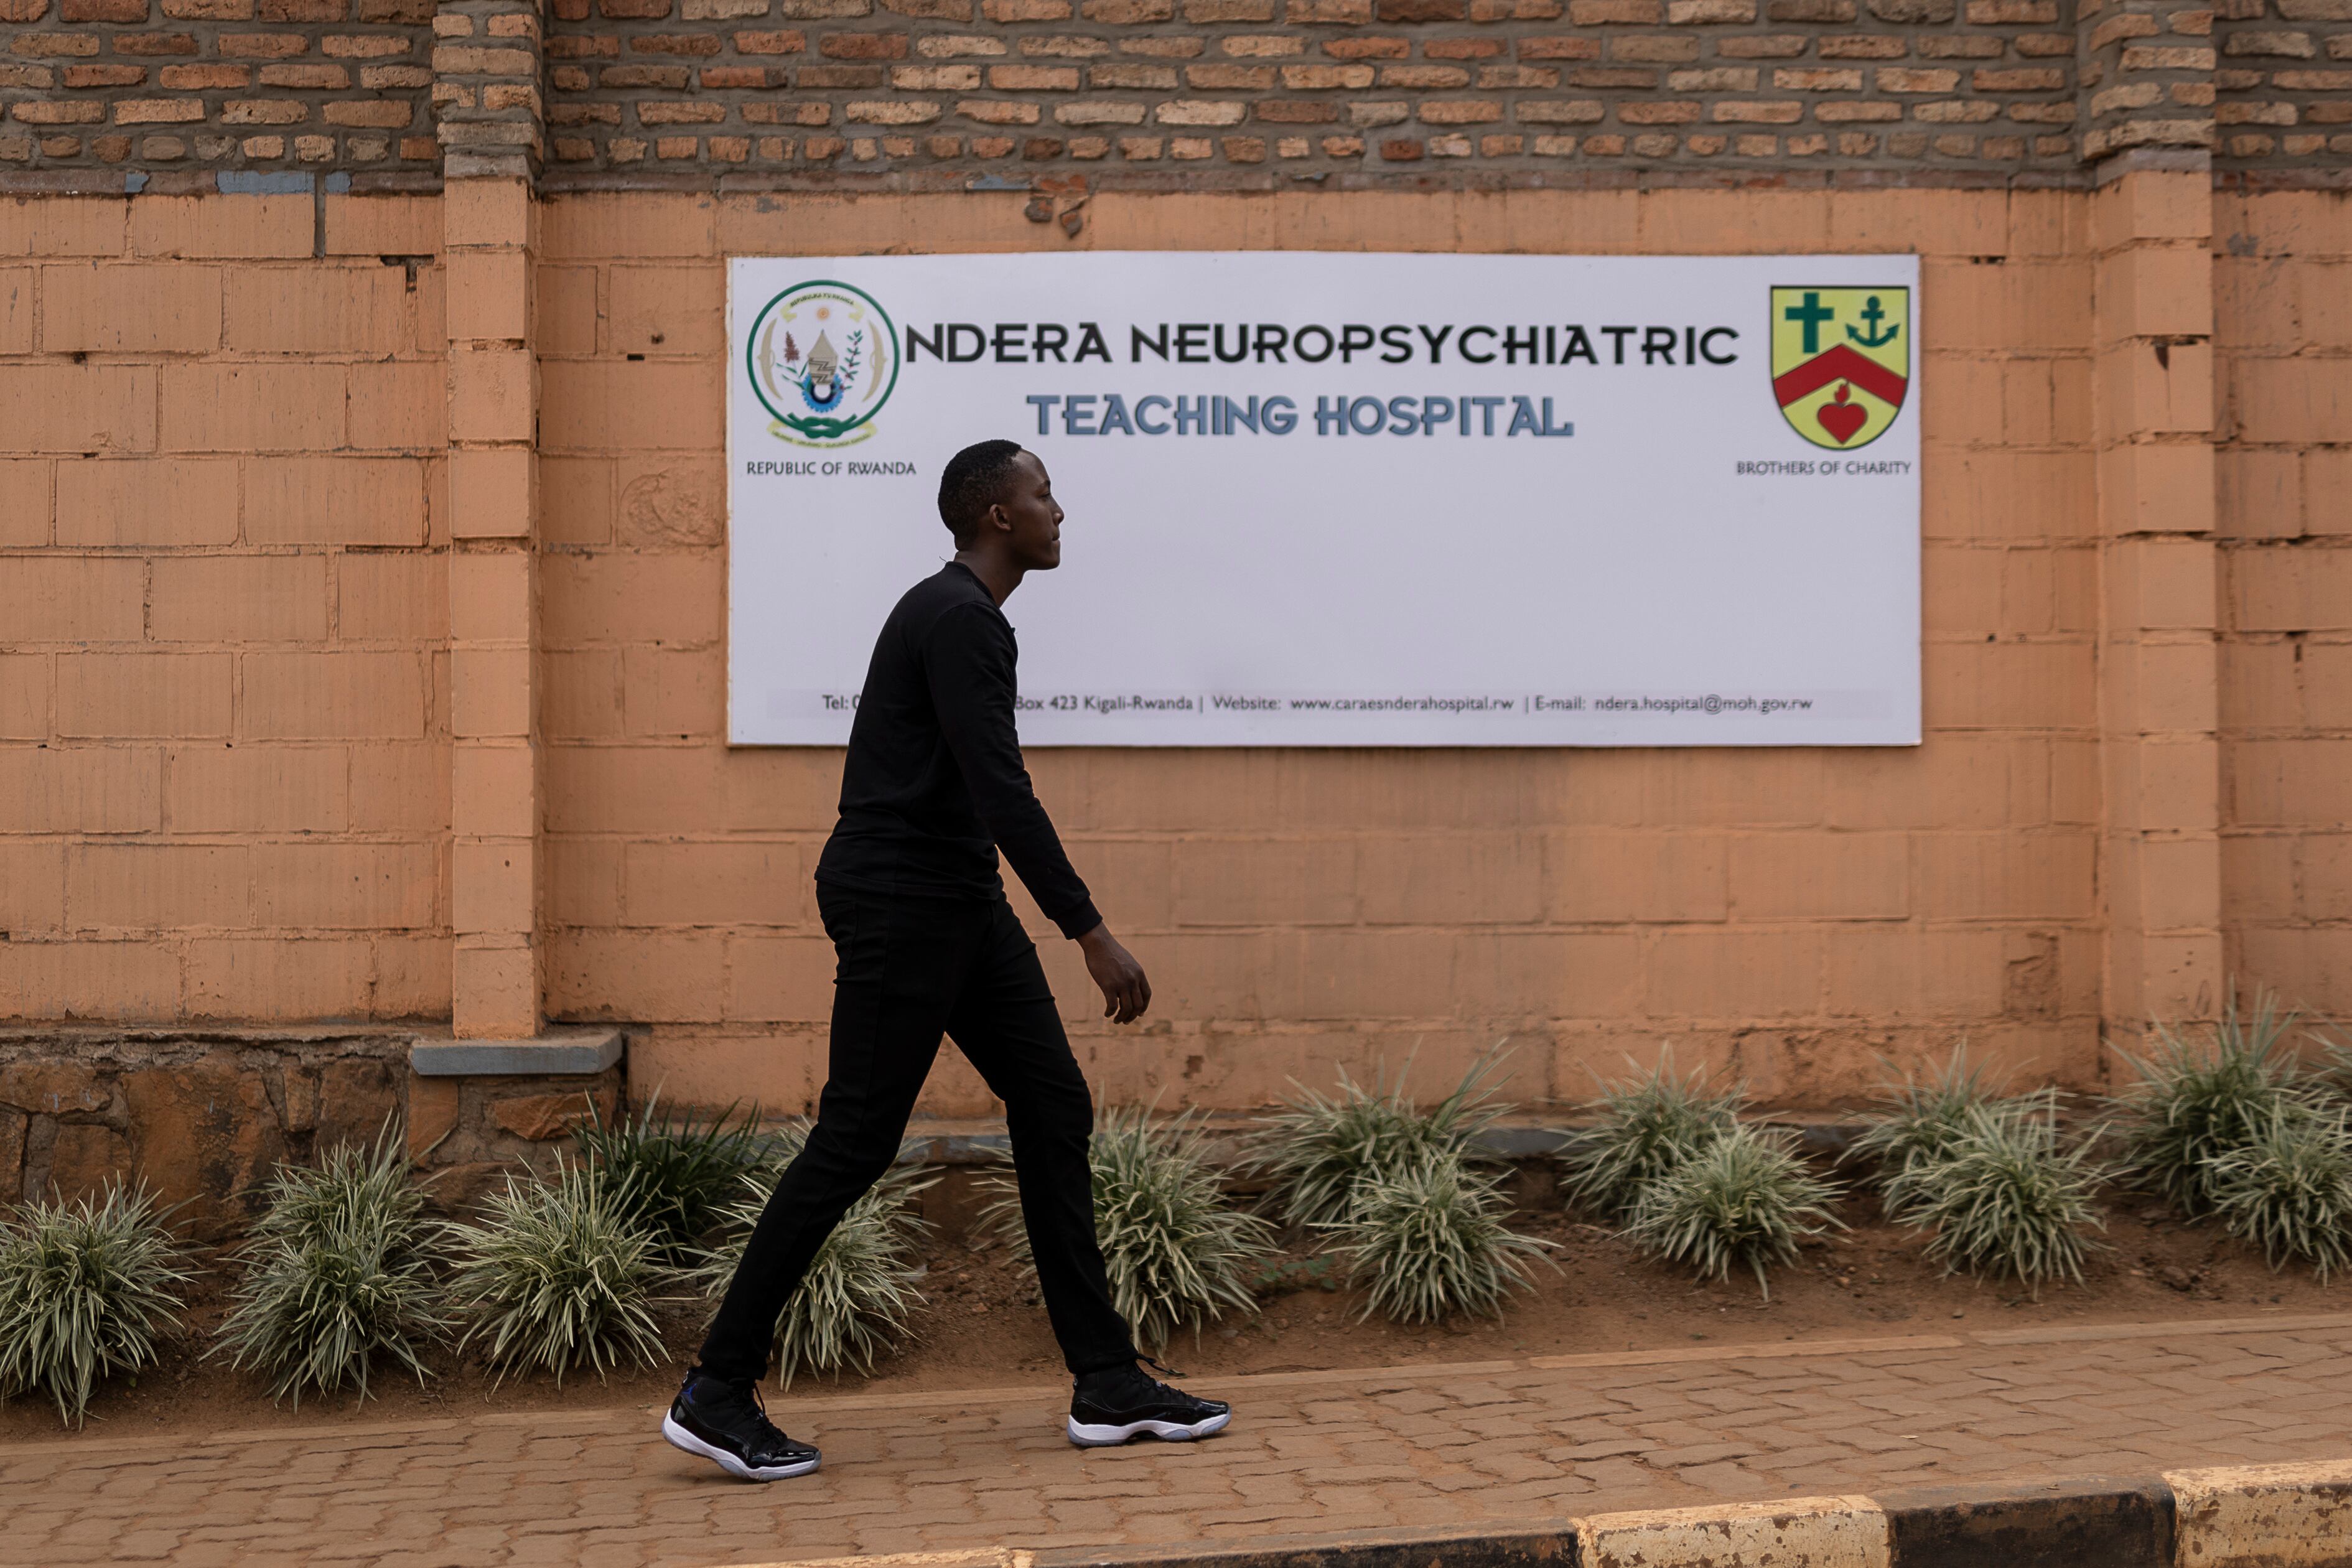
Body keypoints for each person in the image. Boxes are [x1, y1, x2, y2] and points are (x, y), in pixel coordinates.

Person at [661, 439, 1233, 1483]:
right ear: (998, 516)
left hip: (956, 897)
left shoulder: (965, 616)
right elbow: (1001, 786)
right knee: (856, 1140)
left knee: (1054, 1103)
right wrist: (1089, 931)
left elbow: (979, 800)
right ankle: (715, 1388)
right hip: (900, 898)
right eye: (1043, 494)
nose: (1061, 511)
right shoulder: (962, 618)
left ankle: (1107, 1381)